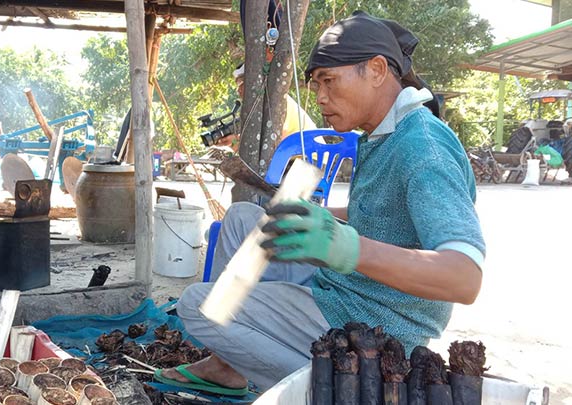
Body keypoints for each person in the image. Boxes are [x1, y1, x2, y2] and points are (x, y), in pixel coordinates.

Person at [155, 11, 485, 393]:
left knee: (198, 306)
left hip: (374, 322)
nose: (321, 97)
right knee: (245, 217)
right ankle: (227, 364)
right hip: (345, 288)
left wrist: (346, 248)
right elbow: (385, 217)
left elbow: (465, 277)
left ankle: (340, 387)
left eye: (329, 81)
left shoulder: (423, 148)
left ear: (377, 70)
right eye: (316, 86)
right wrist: (318, 216)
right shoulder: (382, 134)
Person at [214, 63, 316, 153]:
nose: (238, 90)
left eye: (241, 83)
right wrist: (232, 141)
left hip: (309, 159)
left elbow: (274, 143)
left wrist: (237, 143)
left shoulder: (276, 102)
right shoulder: (263, 106)